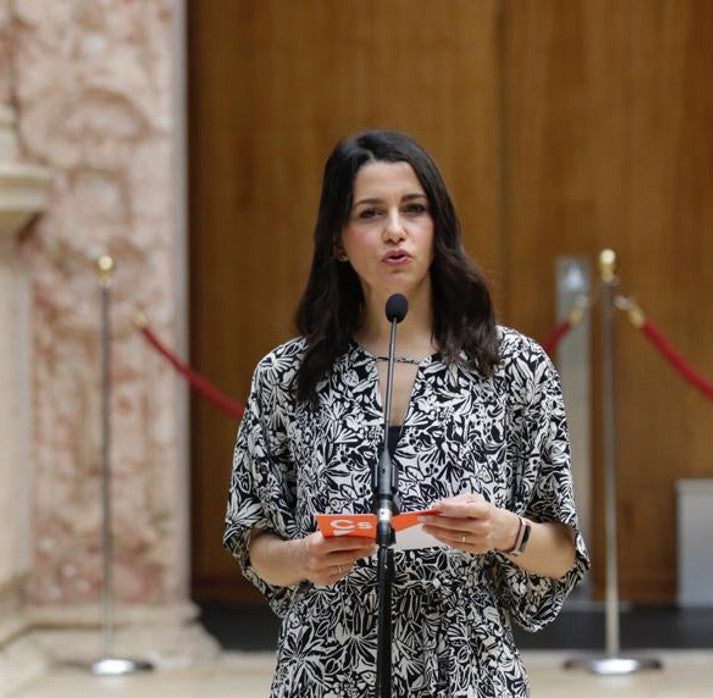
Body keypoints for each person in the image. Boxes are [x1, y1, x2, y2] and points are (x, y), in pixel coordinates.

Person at [223, 130, 589, 696]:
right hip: (326, 667)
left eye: (413, 209)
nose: (395, 230)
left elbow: (562, 554)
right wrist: (305, 558)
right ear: (339, 242)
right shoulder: (287, 376)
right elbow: (256, 546)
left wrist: (501, 530)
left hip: (468, 670)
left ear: (437, 225)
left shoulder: (513, 366)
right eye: (371, 213)